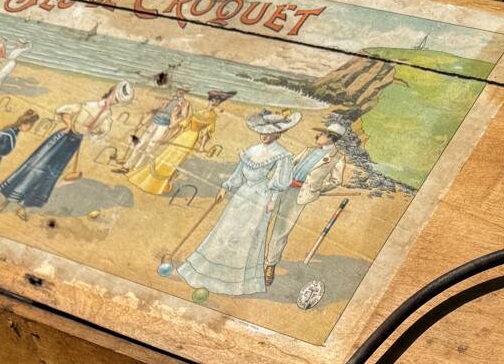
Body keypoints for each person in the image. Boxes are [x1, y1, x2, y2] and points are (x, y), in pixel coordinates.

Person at [177, 109, 298, 298]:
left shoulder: (282, 154)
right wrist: (226, 187)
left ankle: (236, 282)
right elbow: (239, 173)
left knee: (246, 236)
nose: (264, 135)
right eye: (262, 131)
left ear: (278, 133)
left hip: (261, 198)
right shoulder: (251, 150)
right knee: (226, 231)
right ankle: (210, 272)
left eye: (268, 132)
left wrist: (272, 200)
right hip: (242, 195)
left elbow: (280, 183)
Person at [0, 82, 132, 219]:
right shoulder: (88, 105)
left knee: (51, 175)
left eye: (118, 101)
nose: (115, 102)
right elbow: (63, 110)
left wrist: (90, 132)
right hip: (61, 138)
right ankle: (5, 203)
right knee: (35, 167)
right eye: (116, 98)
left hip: (73, 143)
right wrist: (70, 125)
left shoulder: (107, 116)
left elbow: (102, 131)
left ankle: (24, 207)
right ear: (112, 92)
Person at [264, 120, 347, 284]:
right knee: (261, 221)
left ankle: (270, 264)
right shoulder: (309, 150)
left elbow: (336, 181)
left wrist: (314, 188)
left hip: (298, 196)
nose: (318, 136)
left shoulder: (337, 158)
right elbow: (290, 163)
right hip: (281, 188)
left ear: (331, 137)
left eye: (322, 134)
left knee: (281, 231)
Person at [128, 90, 234, 197]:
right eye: (212, 100)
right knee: (166, 155)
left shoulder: (213, 116)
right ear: (209, 101)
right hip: (183, 135)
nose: (212, 102)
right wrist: (172, 131)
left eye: (216, 101)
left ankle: (161, 184)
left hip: (192, 138)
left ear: (218, 104)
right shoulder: (200, 111)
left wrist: (202, 146)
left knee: (175, 161)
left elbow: (207, 133)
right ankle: (149, 179)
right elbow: (185, 123)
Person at [116, 88, 189, 175]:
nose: (180, 92)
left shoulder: (185, 103)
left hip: (164, 125)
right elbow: (156, 108)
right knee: (141, 143)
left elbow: (184, 116)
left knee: (151, 146)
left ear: (185, 93)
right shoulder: (170, 98)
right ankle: (128, 165)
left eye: (182, 91)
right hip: (154, 121)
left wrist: (173, 122)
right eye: (179, 90)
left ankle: (137, 168)